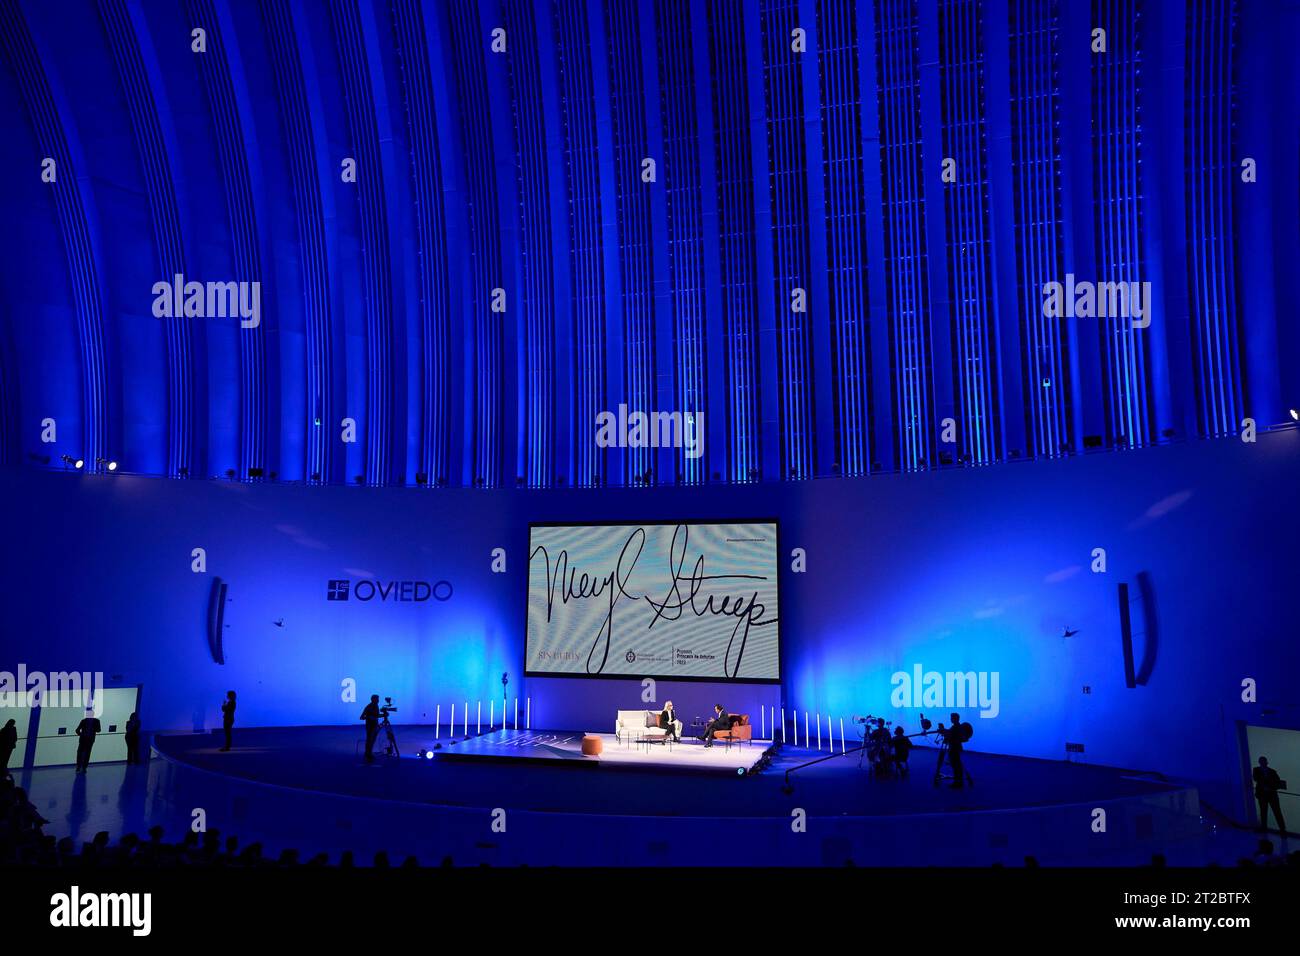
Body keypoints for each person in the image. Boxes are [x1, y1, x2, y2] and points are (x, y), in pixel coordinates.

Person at [1253, 756, 1287, 833]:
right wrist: (1269, 786)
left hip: (1267, 794)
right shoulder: (1270, 771)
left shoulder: (1259, 770)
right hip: (1268, 794)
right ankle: (1281, 828)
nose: (1263, 763)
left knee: (1271, 811)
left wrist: (1267, 786)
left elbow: (1257, 779)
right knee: (1271, 812)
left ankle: (1280, 828)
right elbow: (1256, 778)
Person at [943, 712, 968, 789]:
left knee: (956, 766)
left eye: (951, 718)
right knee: (957, 765)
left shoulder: (956, 727)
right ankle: (958, 781)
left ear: (954, 719)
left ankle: (958, 783)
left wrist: (945, 733)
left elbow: (952, 735)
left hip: (954, 748)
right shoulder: (957, 727)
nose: (950, 719)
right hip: (955, 748)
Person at [75, 708, 102, 772]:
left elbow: (77, 730)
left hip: (85, 739)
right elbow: (99, 730)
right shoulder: (96, 721)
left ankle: (80, 766)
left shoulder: (84, 721)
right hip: (89, 739)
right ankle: (83, 767)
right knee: (86, 753)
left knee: (81, 753)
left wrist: (81, 734)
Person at [360, 695, 381, 763]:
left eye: (378, 699)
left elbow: (376, 715)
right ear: (373, 699)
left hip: (374, 726)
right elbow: (362, 717)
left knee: (371, 740)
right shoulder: (369, 706)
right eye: (377, 699)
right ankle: (368, 753)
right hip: (370, 727)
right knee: (370, 740)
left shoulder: (375, 706)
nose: (378, 700)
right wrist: (369, 717)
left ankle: (369, 752)